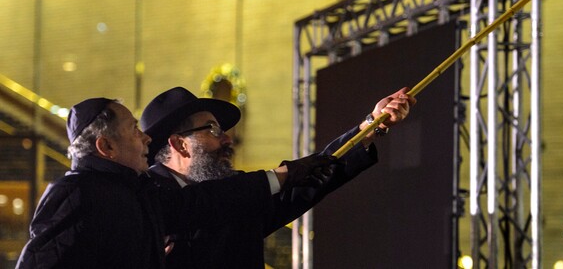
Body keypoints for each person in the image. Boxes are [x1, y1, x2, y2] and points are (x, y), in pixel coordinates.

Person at [15, 98, 333, 268]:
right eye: (133, 128)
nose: (145, 138)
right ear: (106, 147)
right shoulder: (76, 193)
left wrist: (285, 175)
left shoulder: (137, 193)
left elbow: (201, 203)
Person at [140, 86, 416, 268]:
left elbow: (313, 178)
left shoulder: (240, 191)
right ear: (179, 144)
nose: (227, 139)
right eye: (212, 130)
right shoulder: (143, 198)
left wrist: (372, 125)